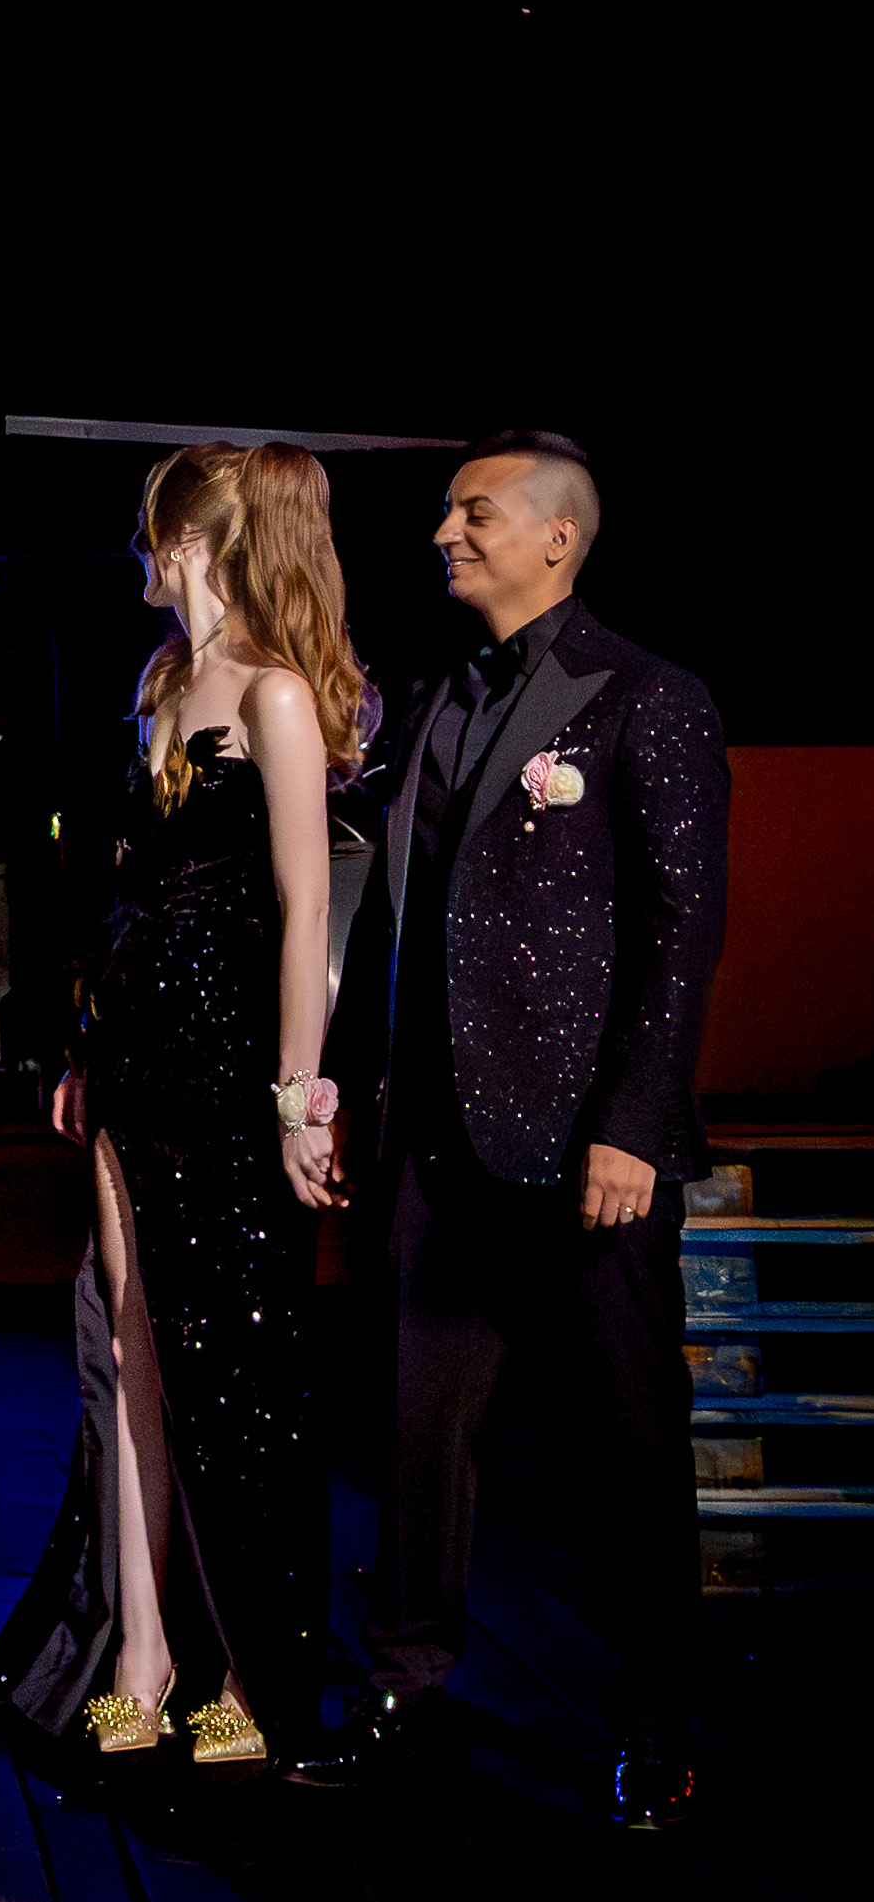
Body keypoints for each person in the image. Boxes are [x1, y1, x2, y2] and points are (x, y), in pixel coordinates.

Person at [297, 432, 725, 1828]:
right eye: (444, 511)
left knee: (624, 1444)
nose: (443, 531)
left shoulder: (646, 696)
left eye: (471, 511)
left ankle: (653, 1724)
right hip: (430, 1147)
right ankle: (404, 1697)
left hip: (587, 1152)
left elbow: (679, 932)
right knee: (415, 1439)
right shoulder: (436, 697)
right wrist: (347, 1093)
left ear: (556, 536)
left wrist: (633, 1126)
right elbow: (391, 925)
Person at [0, 444, 361, 1771]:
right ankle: (140, 1657)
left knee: (234, 1368)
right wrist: (82, 1048)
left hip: (226, 1066)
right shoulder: (159, 684)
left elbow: (304, 908)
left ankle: (247, 1671)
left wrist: (295, 1096)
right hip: (133, 1053)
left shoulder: (271, 693)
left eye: (153, 529)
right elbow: (120, 890)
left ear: (192, 538)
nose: (140, 552)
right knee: (128, 1347)